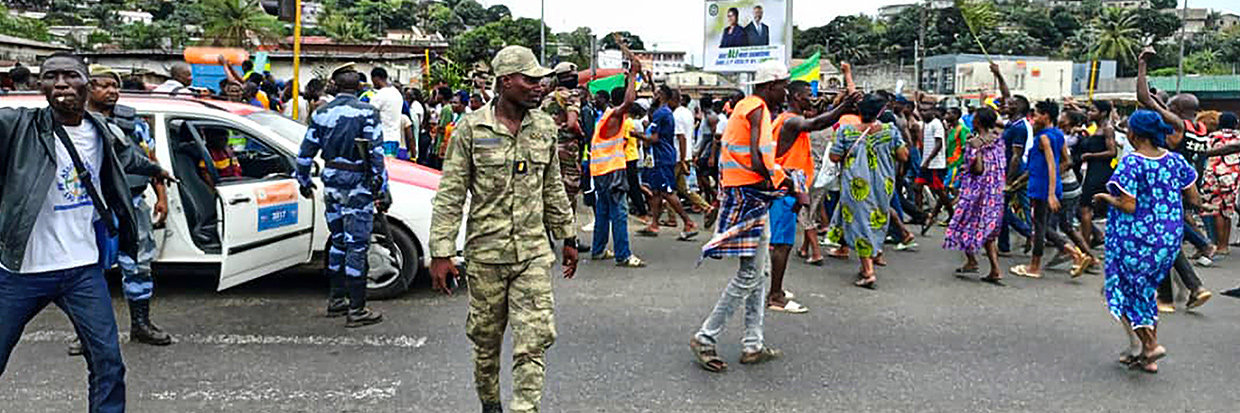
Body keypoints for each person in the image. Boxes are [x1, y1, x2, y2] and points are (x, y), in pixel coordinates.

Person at [0, 52, 171, 413]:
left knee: (108, 362)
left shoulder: (101, 131)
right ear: (40, 86)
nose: (60, 83)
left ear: (86, 83)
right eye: (50, 77)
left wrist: (157, 169)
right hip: (21, 271)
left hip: (81, 270)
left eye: (69, 75)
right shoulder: (17, 126)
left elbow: (128, 157)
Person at [428, 45, 578, 413]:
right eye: (529, 79)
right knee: (485, 342)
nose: (538, 86)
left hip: (533, 254)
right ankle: (490, 405)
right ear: (505, 81)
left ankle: (524, 409)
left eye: (540, 80)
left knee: (533, 341)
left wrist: (568, 236)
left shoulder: (544, 127)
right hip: (486, 257)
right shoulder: (470, 128)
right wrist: (441, 251)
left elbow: (552, 186)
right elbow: (450, 195)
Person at [692, 60, 792, 373]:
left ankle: (753, 344)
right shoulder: (758, 108)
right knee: (750, 274)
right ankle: (705, 337)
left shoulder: (747, 106)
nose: (785, 92)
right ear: (770, 85)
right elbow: (760, 158)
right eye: (783, 86)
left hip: (745, 193)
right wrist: (781, 181)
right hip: (748, 195)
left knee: (758, 271)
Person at [68, 65, 175, 356]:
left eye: (115, 86)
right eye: (103, 85)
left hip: (131, 203)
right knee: (85, 270)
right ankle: (84, 333)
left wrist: (161, 198)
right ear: (88, 89)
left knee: (138, 265)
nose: (111, 91)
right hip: (90, 207)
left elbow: (150, 160)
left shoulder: (133, 123)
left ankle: (140, 324)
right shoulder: (74, 123)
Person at [1096, 109, 1205, 374]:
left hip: (1135, 238)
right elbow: (1194, 198)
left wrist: (1105, 198)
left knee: (1121, 291)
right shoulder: (1176, 161)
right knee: (1146, 291)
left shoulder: (1132, 163)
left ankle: (1150, 345)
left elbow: (1128, 205)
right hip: (1167, 239)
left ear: (1133, 134)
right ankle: (1145, 355)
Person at [295, 64, 387, 328]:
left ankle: (337, 300)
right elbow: (376, 155)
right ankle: (356, 310)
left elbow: (304, 153)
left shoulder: (321, 113)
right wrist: (381, 188)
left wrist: (302, 180)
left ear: (334, 87)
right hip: (358, 186)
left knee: (337, 243)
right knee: (357, 246)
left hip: (332, 185)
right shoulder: (368, 113)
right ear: (359, 87)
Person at [767, 81, 859, 313]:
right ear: (797, 97)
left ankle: (773, 287)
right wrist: (845, 106)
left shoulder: (786, 119)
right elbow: (816, 123)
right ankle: (775, 295)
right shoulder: (791, 120)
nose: (813, 98)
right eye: (809, 95)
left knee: (780, 243)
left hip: (789, 188)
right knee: (781, 244)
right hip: (784, 189)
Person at [1135, 47, 1214, 311]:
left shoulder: (1178, 125)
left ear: (1177, 109)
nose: (1164, 107)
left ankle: (1186, 288)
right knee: (1168, 241)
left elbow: (1144, 98)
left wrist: (1142, 65)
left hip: (1167, 189)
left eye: (1169, 105)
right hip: (1187, 186)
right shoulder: (1201, 129)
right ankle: (1176, 294)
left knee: (1162, 241)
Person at [824, 93, 909, 289]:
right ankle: (873, 257)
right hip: (883, 183)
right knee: (877, 218)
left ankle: (868, 270)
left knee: (861, 222)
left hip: (855, 184)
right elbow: (903, 156)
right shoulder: (890, 130)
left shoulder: (846, 131)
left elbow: (834, 157)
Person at [1009, 100, 1090, 279]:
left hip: (1042, 188)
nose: (1033, 119)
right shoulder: (1057, 135)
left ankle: (1035, 267)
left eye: (1036, 115)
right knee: (1043, 226)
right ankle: (1076, 254)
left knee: (1039, 227)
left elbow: (1052, 165)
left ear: (1045, 116)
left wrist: (1051, 192)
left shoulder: (1044, 137)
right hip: (1046, 185)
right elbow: (1065, 162)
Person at [586, 59, 645, 268]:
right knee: (619, 213)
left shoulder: (603, 118)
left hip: (600, 172)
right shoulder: (614, 116)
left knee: (603, 211)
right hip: (612, 172)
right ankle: (623, 255)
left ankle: (599, 249)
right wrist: (633, 75)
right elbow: (629, 102)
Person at [944, 106, 1006, 284]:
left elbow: (978, 169)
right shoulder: (998, 138)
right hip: (995, 190)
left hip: (977, 190)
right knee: (988, 230)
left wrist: (971, 158)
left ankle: (972, 261)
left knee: (964, 222)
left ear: (977, 121)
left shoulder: (974, 143)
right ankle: (994, 269)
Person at [637, 85, 699, 239]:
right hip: (661, 156)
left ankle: (688, 222)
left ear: (661, 95)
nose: (654, 96)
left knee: (667, 191)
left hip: (662, 157)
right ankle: (654, 224)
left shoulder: (661, 113)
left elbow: (654, 138)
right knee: (657, 191)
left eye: (656, 93)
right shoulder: (663, 113)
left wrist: (637, 135)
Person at [1078, 100, 1117, 254]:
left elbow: (1112, 152)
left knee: (1085, 208)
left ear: (1102, 113)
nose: (1089, 113)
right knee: (1087, 208)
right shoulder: (1096, 129)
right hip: (1094, 170)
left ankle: (1084, 247)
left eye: (1093, 110)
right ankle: (1091, 240)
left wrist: (1091, 155)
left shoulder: (1107, 129)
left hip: (1100, 172)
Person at [1203, 113, 1240, 255]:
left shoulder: (1213, 136)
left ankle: (1217, 245)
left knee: (1216, 210)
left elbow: (1204, 153)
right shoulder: (1238, 136)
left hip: (1214, 175)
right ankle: (1224, 246)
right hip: (1233, 176)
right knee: (1227, 210)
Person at [672, 90, 712, 216]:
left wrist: (683, 160)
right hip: (686, 153)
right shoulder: (687, 113)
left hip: (679, 155)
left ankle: (673, 218)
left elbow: (681, 137)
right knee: (682, 188)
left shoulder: (676, 115)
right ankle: (707, 207)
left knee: (667, 189)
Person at [917, 106, 952, 235]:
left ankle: (952, 213)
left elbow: (939, 144)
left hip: (935, 164)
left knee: (939, 191)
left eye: (924, 110)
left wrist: (928, 160)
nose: (922, 113)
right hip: (926, 163)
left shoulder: (937, 124)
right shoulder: (927, 124)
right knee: (917, 187)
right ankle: (921, 216)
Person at [368, 67, 408, 158]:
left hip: (383, 139)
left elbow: (369, 114)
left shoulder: (380, 95)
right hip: (395, 139)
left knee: (382, 168)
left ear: (376, 78)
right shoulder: (397, 94)